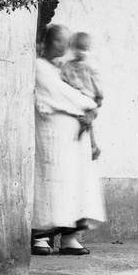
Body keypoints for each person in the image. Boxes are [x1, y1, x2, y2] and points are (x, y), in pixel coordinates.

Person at [33, 24, 101, 256]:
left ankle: (70, 237)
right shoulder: (39, 67)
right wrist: (88, 105)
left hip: (72, 144)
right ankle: (40, 236)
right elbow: (58, 94)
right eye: (58, 41)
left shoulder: (63, 67)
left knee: (74, 187)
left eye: (66, 41)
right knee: (52, 186)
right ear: (47, 43)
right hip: (52, 140)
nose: (63, 46)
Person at [62, 30, 105, 163]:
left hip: (89, 100)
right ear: (72, 48)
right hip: (75, 100)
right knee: (79, 121)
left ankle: (93, 146)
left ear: (88, 50)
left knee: (89, 118)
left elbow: (97, 80)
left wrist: (99, 96)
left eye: (84, 49)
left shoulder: (90, 65)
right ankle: (86, 144)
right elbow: (63, 80)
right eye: (78, 48)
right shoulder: (68, 66)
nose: (81, 52)